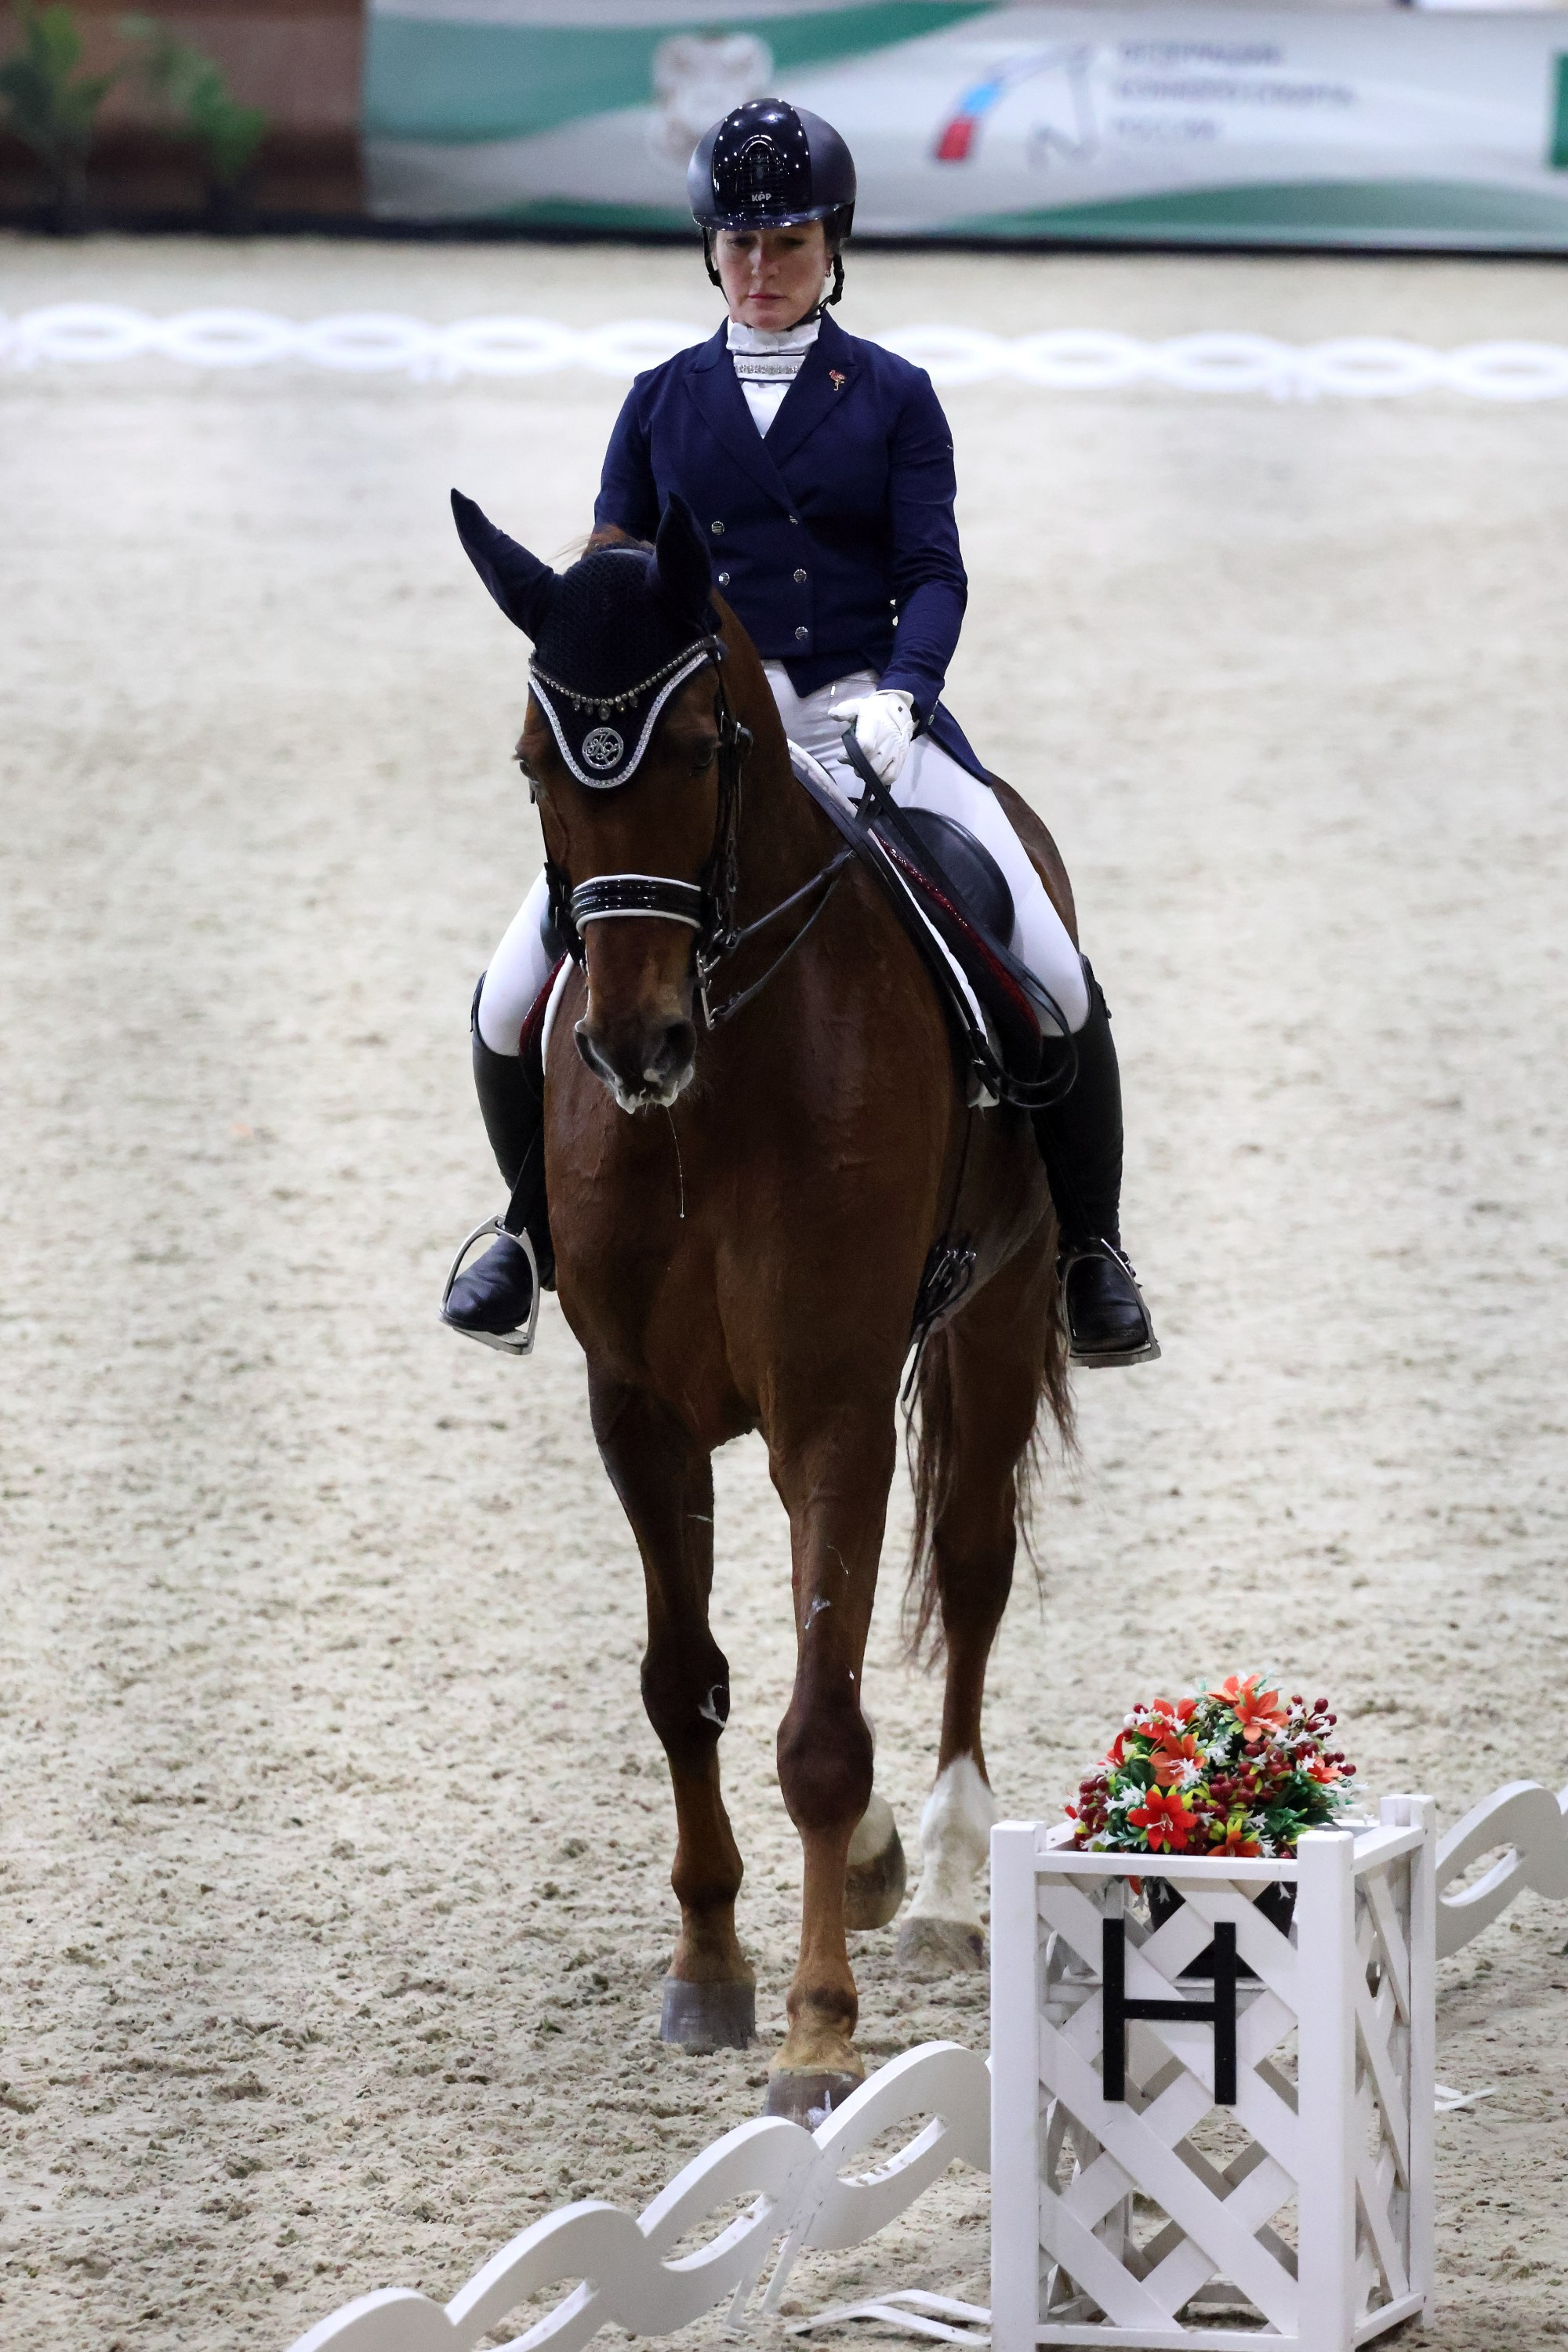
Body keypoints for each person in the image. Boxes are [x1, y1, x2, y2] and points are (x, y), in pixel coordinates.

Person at [443, 98, 1157, 1369]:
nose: (763, 271)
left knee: (1049, 968)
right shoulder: (661, 403)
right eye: (741, 245)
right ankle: (527, 1235)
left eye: (790, 244)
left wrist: (905, 692)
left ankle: (1091, 1254)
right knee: (509, 995)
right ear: (710, 251)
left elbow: (935, 571)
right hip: (699, 727)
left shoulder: (891, 397)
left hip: (862, 711)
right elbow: (616, 567)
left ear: (834, 248)